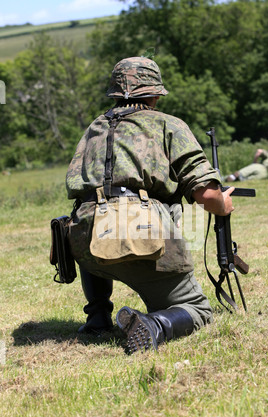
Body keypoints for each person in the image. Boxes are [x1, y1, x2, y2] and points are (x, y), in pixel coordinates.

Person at [66, 56, 234, 354]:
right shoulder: (169, 125)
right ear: (155, 94)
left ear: (116, 93)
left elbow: (86, 191)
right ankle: (154, 325)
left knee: (96, 212)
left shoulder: (94, 127)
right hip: (140, 237)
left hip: (84, 242)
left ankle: (98, 316)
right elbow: (207, 196)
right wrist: (223, 205)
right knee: (197, 308)